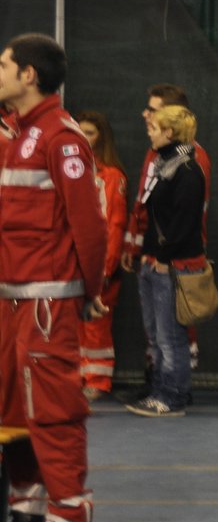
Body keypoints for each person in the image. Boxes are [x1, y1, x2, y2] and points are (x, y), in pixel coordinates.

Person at [0, 34, 108, 522]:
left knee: (54, 412)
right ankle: (26, 513)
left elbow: (88, 227)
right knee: (13, 415)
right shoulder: (14, 134)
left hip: (46, 303)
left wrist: (90, 293)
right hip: (11, 301)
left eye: (2, 64)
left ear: (29, 76)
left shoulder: (61, 139)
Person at [120, 84, 211, 400]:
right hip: (155, 257)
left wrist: (164, 256)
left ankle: (172, 393)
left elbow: (186, 219)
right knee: (159, 333)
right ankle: (160, 388)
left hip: (174, 262)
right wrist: (137, 248)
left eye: (154, 115)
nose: (147, 119)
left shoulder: (190, 165)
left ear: (171, 127)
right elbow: (144, 208)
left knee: (172, 334)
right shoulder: (160, 158)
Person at [75, 111, 127, 401]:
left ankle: (97, 379)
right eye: (80, 131)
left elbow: (115, 224)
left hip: (98, 265)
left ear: (101, 138)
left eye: (90, 132)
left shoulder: (111, 176)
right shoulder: (72, 170)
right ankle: (79, 376)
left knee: (96, 325)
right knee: (74, 326)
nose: (83, 137)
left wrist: (105, 267)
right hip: (71, 262)